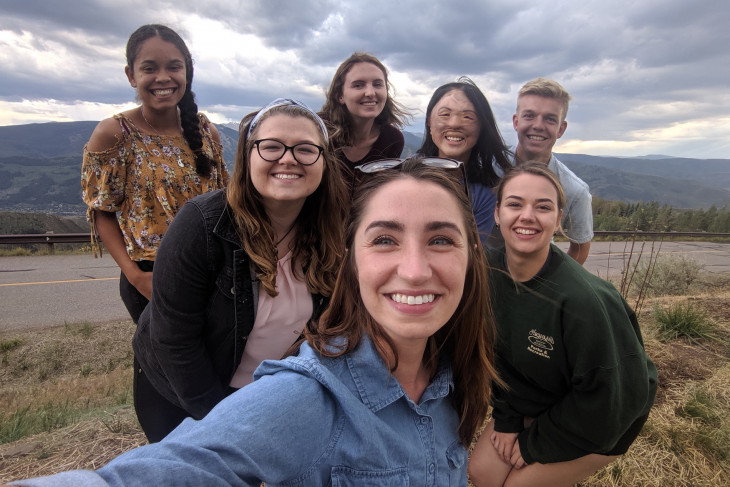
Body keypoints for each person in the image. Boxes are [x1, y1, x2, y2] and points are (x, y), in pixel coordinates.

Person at [7, 158, 500, 486]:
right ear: (351, 261)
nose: (414, 268)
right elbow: (175, 467)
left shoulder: (453, 375)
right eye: (385, 240)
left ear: (470, 256)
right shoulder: (309, 396)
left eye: (440, 239)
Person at [131, 98, 348, 442]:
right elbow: (174, 340)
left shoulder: (333, 233)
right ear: (248, 157)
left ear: (324, 163)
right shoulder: (202, 224)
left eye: (306, 149)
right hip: (186, 396)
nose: (288, 158)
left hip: (269, 395)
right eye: (271, 146)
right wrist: (225, 424)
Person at [468, 162, 657, 487]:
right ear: (497, 213)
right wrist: (508, 418)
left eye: (542, 207)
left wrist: (533, 444)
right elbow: (495, 356)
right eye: (515, 204)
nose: (527, 216)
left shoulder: (584, 302)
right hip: (541, 393)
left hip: (606, 414)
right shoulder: (487, 274)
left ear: (558, 220)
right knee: (481, 473)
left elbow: (613, 401)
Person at [81, 24, 228, 324]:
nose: (163, 77)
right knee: (162, 367)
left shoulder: (204, 131)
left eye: (174, 67)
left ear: (186, 72)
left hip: (213, 270)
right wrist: (135, 277)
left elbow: (224, 200)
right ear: (131, 75)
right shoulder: (115, 134)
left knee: (216, 365)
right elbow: (101, 211)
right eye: (150, 68)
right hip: (151, 274)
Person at [495, 77, 593, 264]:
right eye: (529, 115)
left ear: (561, 129)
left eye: (549, 119)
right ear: (516, 122)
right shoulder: (487, 167)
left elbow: (580, 246)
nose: (538, 125)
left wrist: (553, 284)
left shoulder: (574, 191)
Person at [417, 76, 512, 242]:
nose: (454, 124)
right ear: (429, 122)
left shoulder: (485, 193)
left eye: (467, 117)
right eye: (445, 114)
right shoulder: (404, 174)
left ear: (481, 127)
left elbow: (472, 253)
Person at [320, 52, 410, 192]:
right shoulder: (317, 130)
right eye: (358, 85)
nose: (370, 92)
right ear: (340, 96)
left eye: (377, 84)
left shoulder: (392, 140)